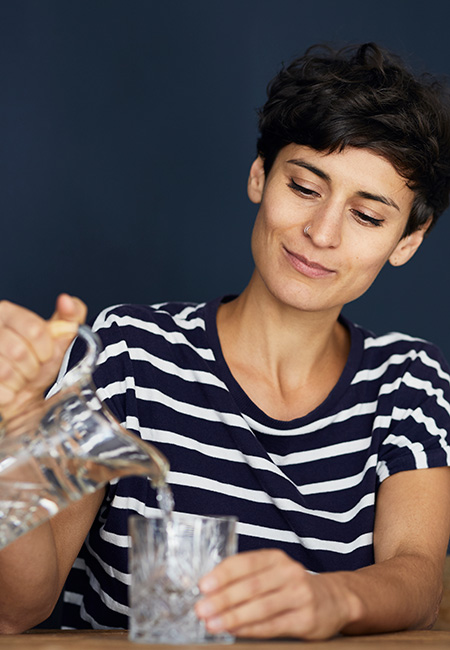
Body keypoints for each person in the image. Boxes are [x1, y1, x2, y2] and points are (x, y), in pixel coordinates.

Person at [1, 42, 450, 640]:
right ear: (260, 176)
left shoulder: (409, 382)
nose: (321, 233)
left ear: (406, 242)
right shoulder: (128, 352)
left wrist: (329, 598)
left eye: (367, 217)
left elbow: (419, 578)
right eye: (305, 187)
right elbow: (18, 607)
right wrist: (16, 435)